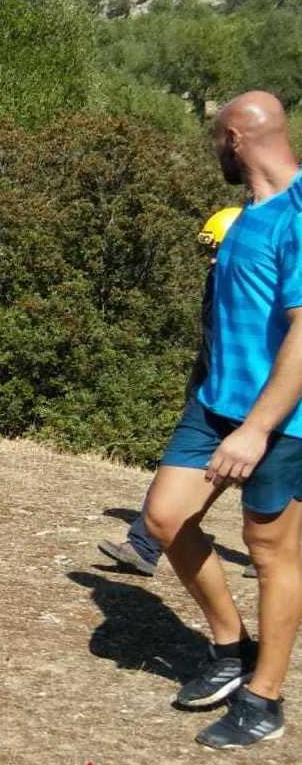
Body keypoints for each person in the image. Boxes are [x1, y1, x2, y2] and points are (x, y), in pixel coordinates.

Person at [143, 91, 302, 749]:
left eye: (216, 140)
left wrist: (258, 427)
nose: (216, 151)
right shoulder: (247, 216)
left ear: (235, 138)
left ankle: (265, 698)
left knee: (271, 551)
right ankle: (231, 645)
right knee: (164, 517)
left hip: (282, 420)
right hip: (215, 404)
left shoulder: (297, 213)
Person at [98, 207, 247, 578]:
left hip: (253, 403)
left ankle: (276, 557)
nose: (211, 258)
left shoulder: (257, 290)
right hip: (211, 395)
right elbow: (211, 344)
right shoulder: (218, 280)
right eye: (208, 250)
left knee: (275, 494)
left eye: (218, 249)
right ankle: (143, 546)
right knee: (180, 468)